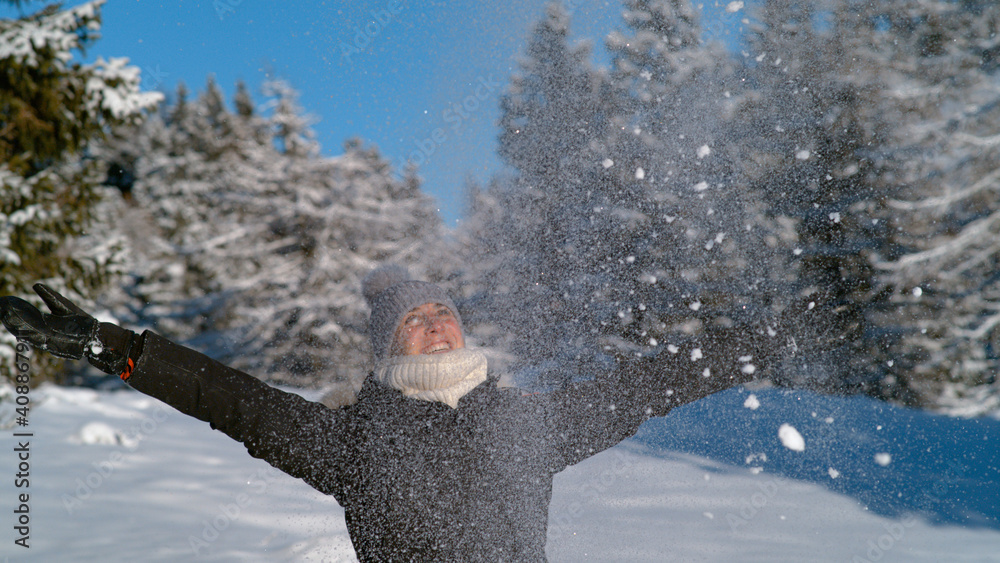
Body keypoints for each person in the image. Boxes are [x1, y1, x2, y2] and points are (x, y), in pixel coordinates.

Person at [0, 266, 776, 561]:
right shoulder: (354, 442)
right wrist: (115, 346)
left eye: (443, 310)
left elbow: (636, 389)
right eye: (414, 318)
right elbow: (238, 403)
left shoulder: (526, 423)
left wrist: (747, 345)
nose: (437, 323)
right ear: (388, 345)